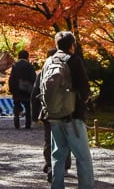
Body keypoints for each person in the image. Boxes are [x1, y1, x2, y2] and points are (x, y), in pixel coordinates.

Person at [40, 31, 94, 189]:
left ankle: (57, 186)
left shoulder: (48, 61)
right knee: (83, 157)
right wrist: (83, 101)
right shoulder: (74, 60)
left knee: (57, 155)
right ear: (72, 45)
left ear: (56, 45)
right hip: (73, 115)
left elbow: (40, 88)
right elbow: (84, 88)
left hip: (53, 115)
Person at [32, 48, 71, 182]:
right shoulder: (66, 70)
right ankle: (64, 166)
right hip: (65, 110)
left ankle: (50, 165)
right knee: (65, 140)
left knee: (49, 139)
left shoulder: (43, 72)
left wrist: (34, 114)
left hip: (47, 110)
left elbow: (35, 93)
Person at [9, 49, 36, 129]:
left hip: (17, 89)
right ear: (27, 57)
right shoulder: (29, 66)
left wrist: (11, 88)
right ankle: (28, 123)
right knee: (27, 106)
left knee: (17, 104)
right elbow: (33, 77)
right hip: (27, 89)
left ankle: (16, 117)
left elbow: (12, 78)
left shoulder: (15, 65)